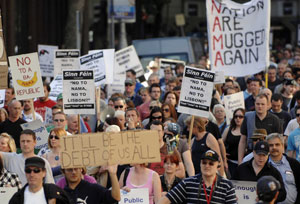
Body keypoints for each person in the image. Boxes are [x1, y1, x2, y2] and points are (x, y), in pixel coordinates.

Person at [158, 150, 237, 204]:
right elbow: (165, 200)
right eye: (204, 163)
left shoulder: (227, 185)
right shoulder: (188, 183)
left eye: (211, 163)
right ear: (200, 164)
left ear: (218, 166)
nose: (207, 166)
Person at [238, 94, 282, 164]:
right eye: (258, 104)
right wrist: (240, 161)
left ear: (268, 105)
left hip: (269, 155)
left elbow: (280, 142)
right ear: (254, 104)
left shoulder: (275, 120)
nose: (260, 106)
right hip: (251, 153)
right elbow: (243, 140)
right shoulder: (248, 117)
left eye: (262, 104)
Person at [267, 133, 300, 204]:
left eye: (277, 144)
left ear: (282, 146)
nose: (274, 147)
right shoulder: (264, 165)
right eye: (271, 145)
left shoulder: (294, 164)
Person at [222, 108, 245, 177]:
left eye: (240, 117)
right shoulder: (228, 129)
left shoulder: (247, 130)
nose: (238, 118)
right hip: (230, 164)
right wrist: (223, 155)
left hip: (244, 163)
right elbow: (220, 144)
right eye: (236, 116)